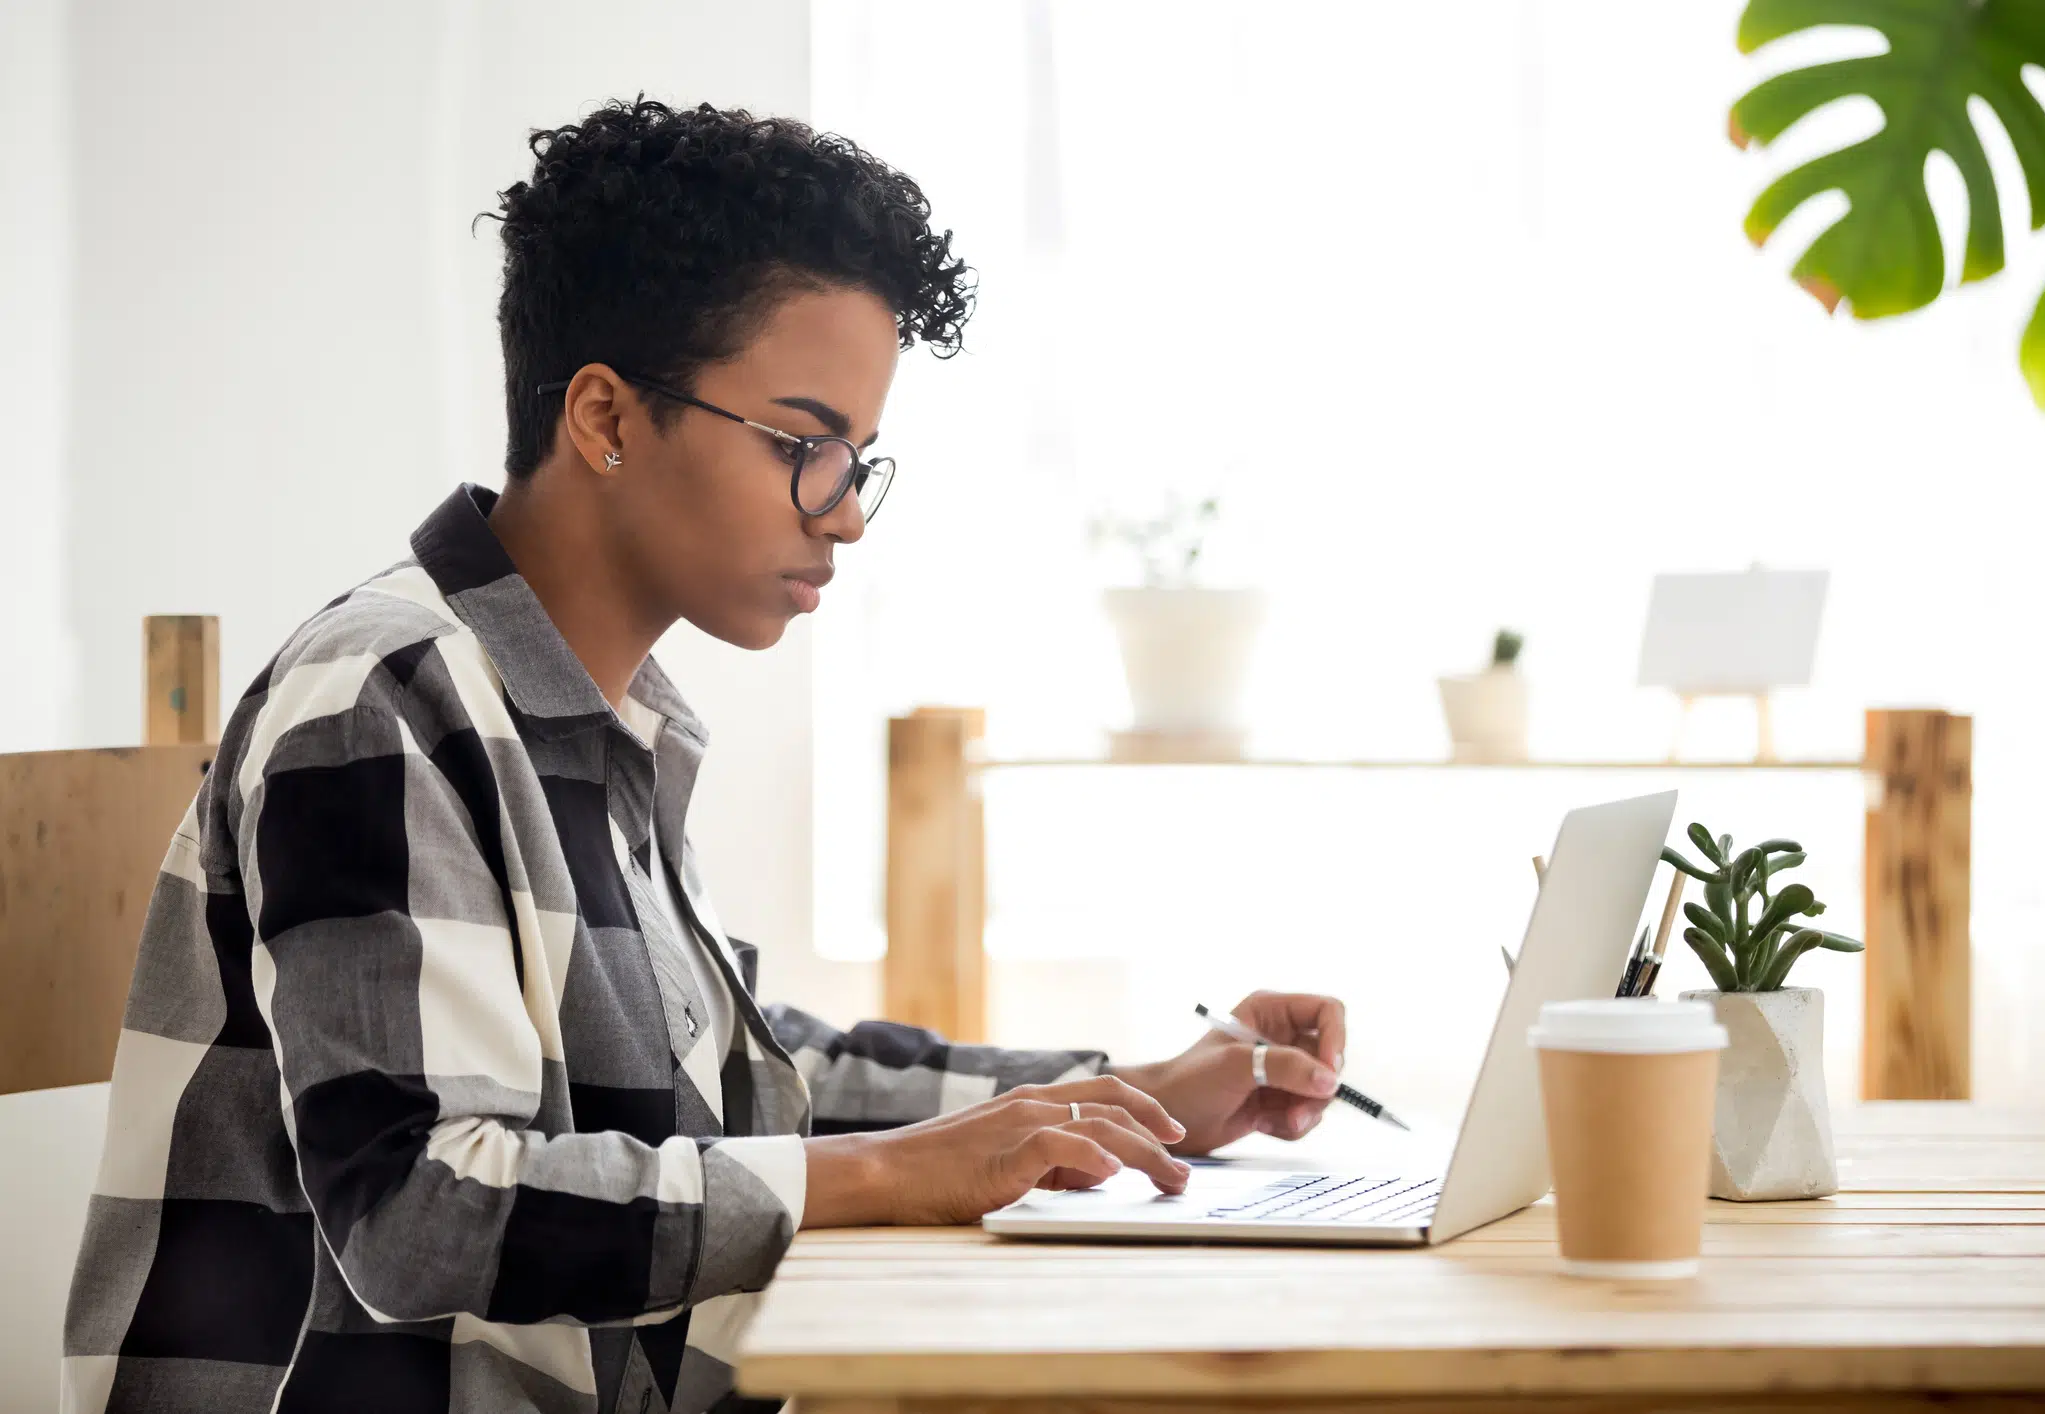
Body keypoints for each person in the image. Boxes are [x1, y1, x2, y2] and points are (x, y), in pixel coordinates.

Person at [62, 99, 1351, 1414]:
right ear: (608, 416)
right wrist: (899, 1169)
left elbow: (734, 1079)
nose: (846, 513)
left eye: (858, 456)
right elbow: (417, 1209)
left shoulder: (606, 717)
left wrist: (1121, 1094)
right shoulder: (378, 698)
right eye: (804, 446)